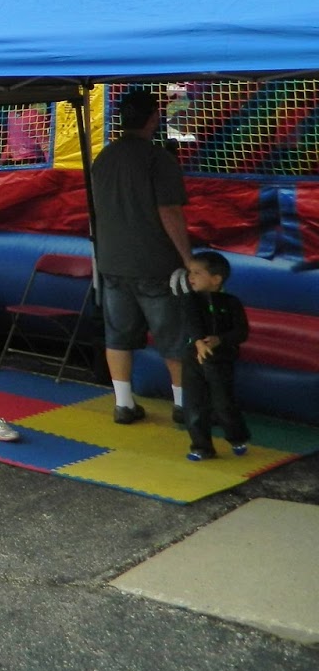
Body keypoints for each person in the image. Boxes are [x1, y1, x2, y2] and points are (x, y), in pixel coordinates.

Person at [91, 88, 192, 425]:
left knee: (118, 334)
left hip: (112, 261)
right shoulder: (157, 159)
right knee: (173, 336)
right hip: (155, 262)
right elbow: (170, 212)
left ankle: (123, 403)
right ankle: (183, 405)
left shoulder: (104, 158)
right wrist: (188, 259)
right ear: (154, 118)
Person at [180, 249, 250, 461]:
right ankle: (201, 447)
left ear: (216, 279)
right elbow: (190, 323)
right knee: (194, 405)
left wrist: (220, 340)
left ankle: (237, 436)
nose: (190, 277)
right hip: (193, 359)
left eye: (197, 273)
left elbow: (241, 332)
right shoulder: (190, 300)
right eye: (190, 272)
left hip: (220, 360)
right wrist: (199, 343)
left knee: (223, 404)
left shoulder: (231, 303)